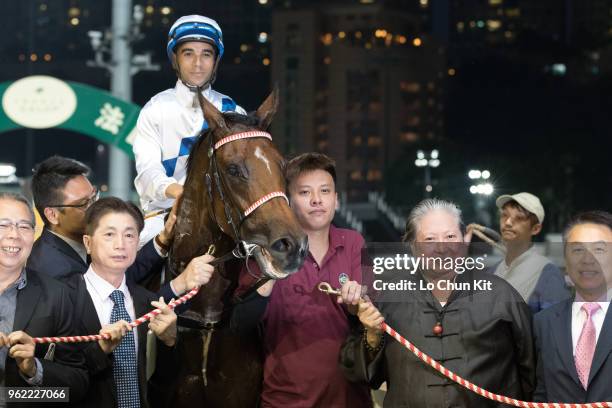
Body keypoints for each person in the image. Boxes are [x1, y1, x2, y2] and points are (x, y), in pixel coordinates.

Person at [340, 198, 535, 407]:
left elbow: (530, 369)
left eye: (451, 236)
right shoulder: (388, 298)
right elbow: (360, 372)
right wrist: (371, 335)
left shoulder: (501, 295)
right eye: (430, 239)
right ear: (414, 246)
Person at [230, 153, 372, 407]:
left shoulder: (353, 243)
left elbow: (368, 319)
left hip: (350, 399)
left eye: (325, 191)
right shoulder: (263, 251)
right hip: (286, 401)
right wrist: (270, 272)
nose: (317, 200)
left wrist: (357, 301)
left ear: (336, 199)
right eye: (305, 193)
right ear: (288, 202)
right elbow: (240, 323)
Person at [70, 197, 213, 408]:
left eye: (129, 235)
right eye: (109, 234)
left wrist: (169, 341)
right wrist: (100, 351)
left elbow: (164, 382)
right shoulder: (62, 298)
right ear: (88, 243)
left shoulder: (148, 303)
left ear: (137, 243)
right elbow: (56, 383)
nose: (120, 245)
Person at [29, 155, 211, 301]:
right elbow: (112, 314)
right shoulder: (53, 269)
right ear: (52, 215)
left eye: (95, 196)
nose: (95, 206)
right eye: (84, 204)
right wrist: (180, 284)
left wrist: (162, 239)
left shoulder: (77, 242)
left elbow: (122, 277)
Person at [133, 14, 246, 244]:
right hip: (164, 217)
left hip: (224, 220)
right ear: (175, 59)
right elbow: (147, 172)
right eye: (188, 54)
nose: (197, 63)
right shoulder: (155, 110)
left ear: (215, 61)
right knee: (134, 267)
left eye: (206, 54)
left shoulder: (234, 113)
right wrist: (182, 194)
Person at [0, 193, 88, 405]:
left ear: (34, 235)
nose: (14, 235)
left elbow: (78, 386)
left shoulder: (57, 295)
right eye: (3, 225)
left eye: (24, 226)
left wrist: (33, 369)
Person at [533, 210, 612, 403]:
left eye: (599, 249)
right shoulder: (543, 322)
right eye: (577, 250)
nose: (587, 259)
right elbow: (540, 392)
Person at [492, 192, 570, 313]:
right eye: (504, 215)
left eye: (519, 218)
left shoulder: (548, 274)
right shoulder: (492, 270)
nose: (507, 223)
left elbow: (555, 327)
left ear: (535, 228)